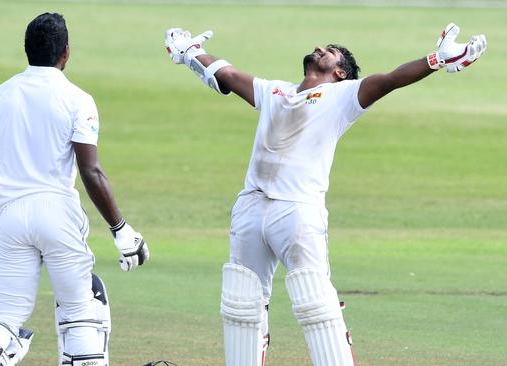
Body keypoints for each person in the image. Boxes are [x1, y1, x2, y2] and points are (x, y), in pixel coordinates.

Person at [164, 24, 486, 366]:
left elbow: (391, 79)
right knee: (242, 305)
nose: (319, 47)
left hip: (298, 213)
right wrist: (188, 53)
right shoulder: (274, 91)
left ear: (339, 72)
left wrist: (436, 59)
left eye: (329, 51)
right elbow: (227, 74)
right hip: (251, 206)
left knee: (316, 305)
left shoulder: (344, 96)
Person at [0, 12, 149, 366]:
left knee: (1, 320)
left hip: (10, 217)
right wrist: (121, 230)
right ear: (66, 52)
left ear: (27, 50)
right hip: (59, 216)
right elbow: (91, 171)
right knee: (80, 315)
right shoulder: (78, 99)